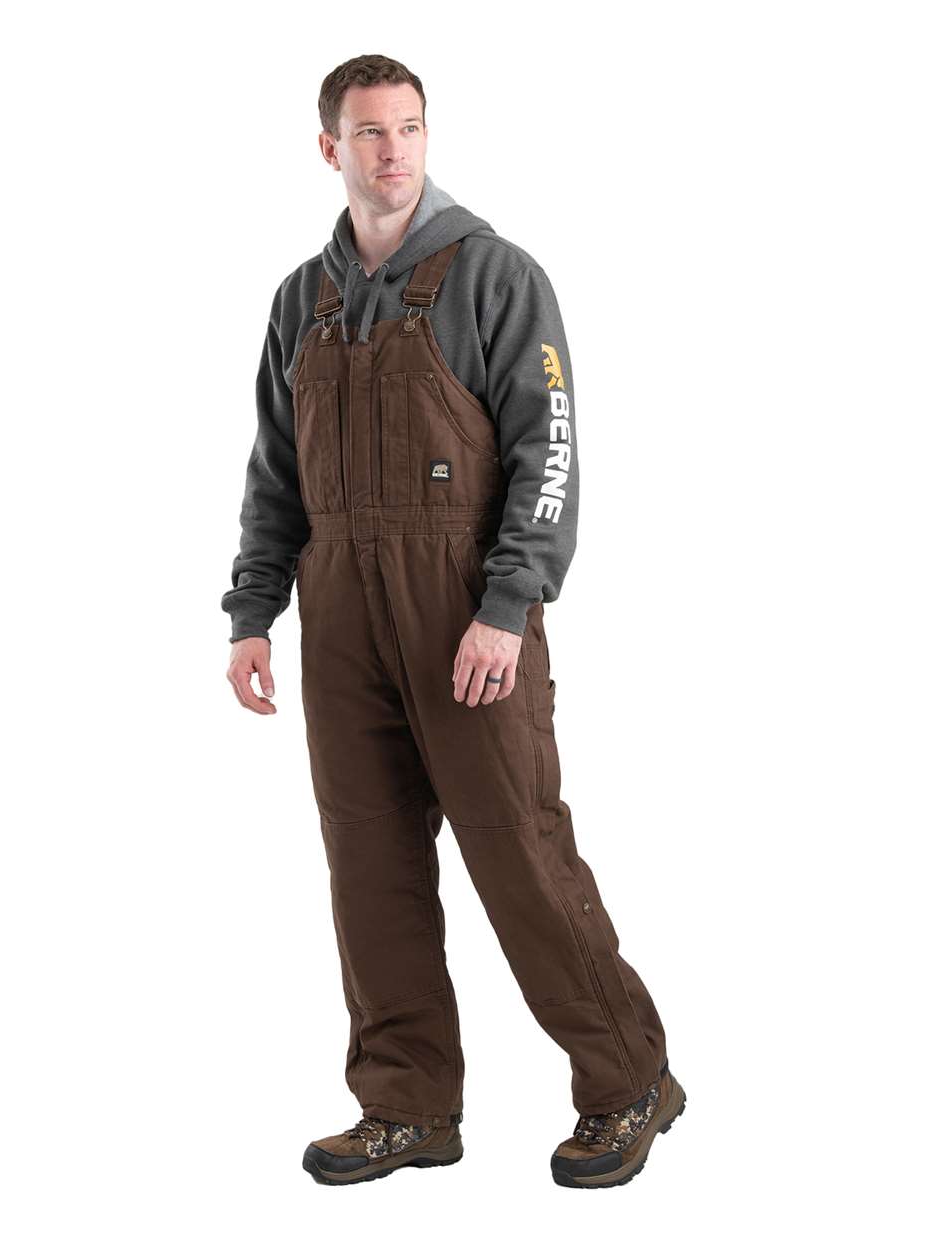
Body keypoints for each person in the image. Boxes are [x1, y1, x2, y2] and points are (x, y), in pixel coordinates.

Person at [221, 53, 685, 1189]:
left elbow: (548, 454)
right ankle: (406, 1104)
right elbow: (276, 471)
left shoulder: (496, 276)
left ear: (428, 137)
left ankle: (628, 1079)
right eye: (369, 133)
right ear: (329, 149)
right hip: (340, 617)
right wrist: (253, 609)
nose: (393, 151)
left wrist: (507, 607)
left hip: (465, 615)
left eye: (410, 128)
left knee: (518, 850)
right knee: (368, 863)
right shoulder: (301, 301)